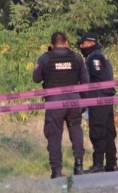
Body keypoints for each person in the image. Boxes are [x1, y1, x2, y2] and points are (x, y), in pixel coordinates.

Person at [33, 31, 89, 179]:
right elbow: (85, 82)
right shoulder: (77, 57)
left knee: (54, 136)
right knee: (76, 130)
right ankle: (78, 166)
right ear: (66, 43)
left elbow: (36, 79)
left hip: (55, 102)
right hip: (74, 101)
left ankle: (56, 171)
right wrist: (82, 103)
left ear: (51, 45)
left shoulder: (45, 58)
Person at [78, 32, 118, 173]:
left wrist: (87, 96)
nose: (80, 47)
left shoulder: (94, 57)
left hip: (99, 96)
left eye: (82, 44)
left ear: (89, 43)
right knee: (108, 129)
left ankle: (98, 163)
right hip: (106, 96)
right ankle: (111, 163)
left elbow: (96, 79)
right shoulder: (100, 55)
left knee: (98, 128)